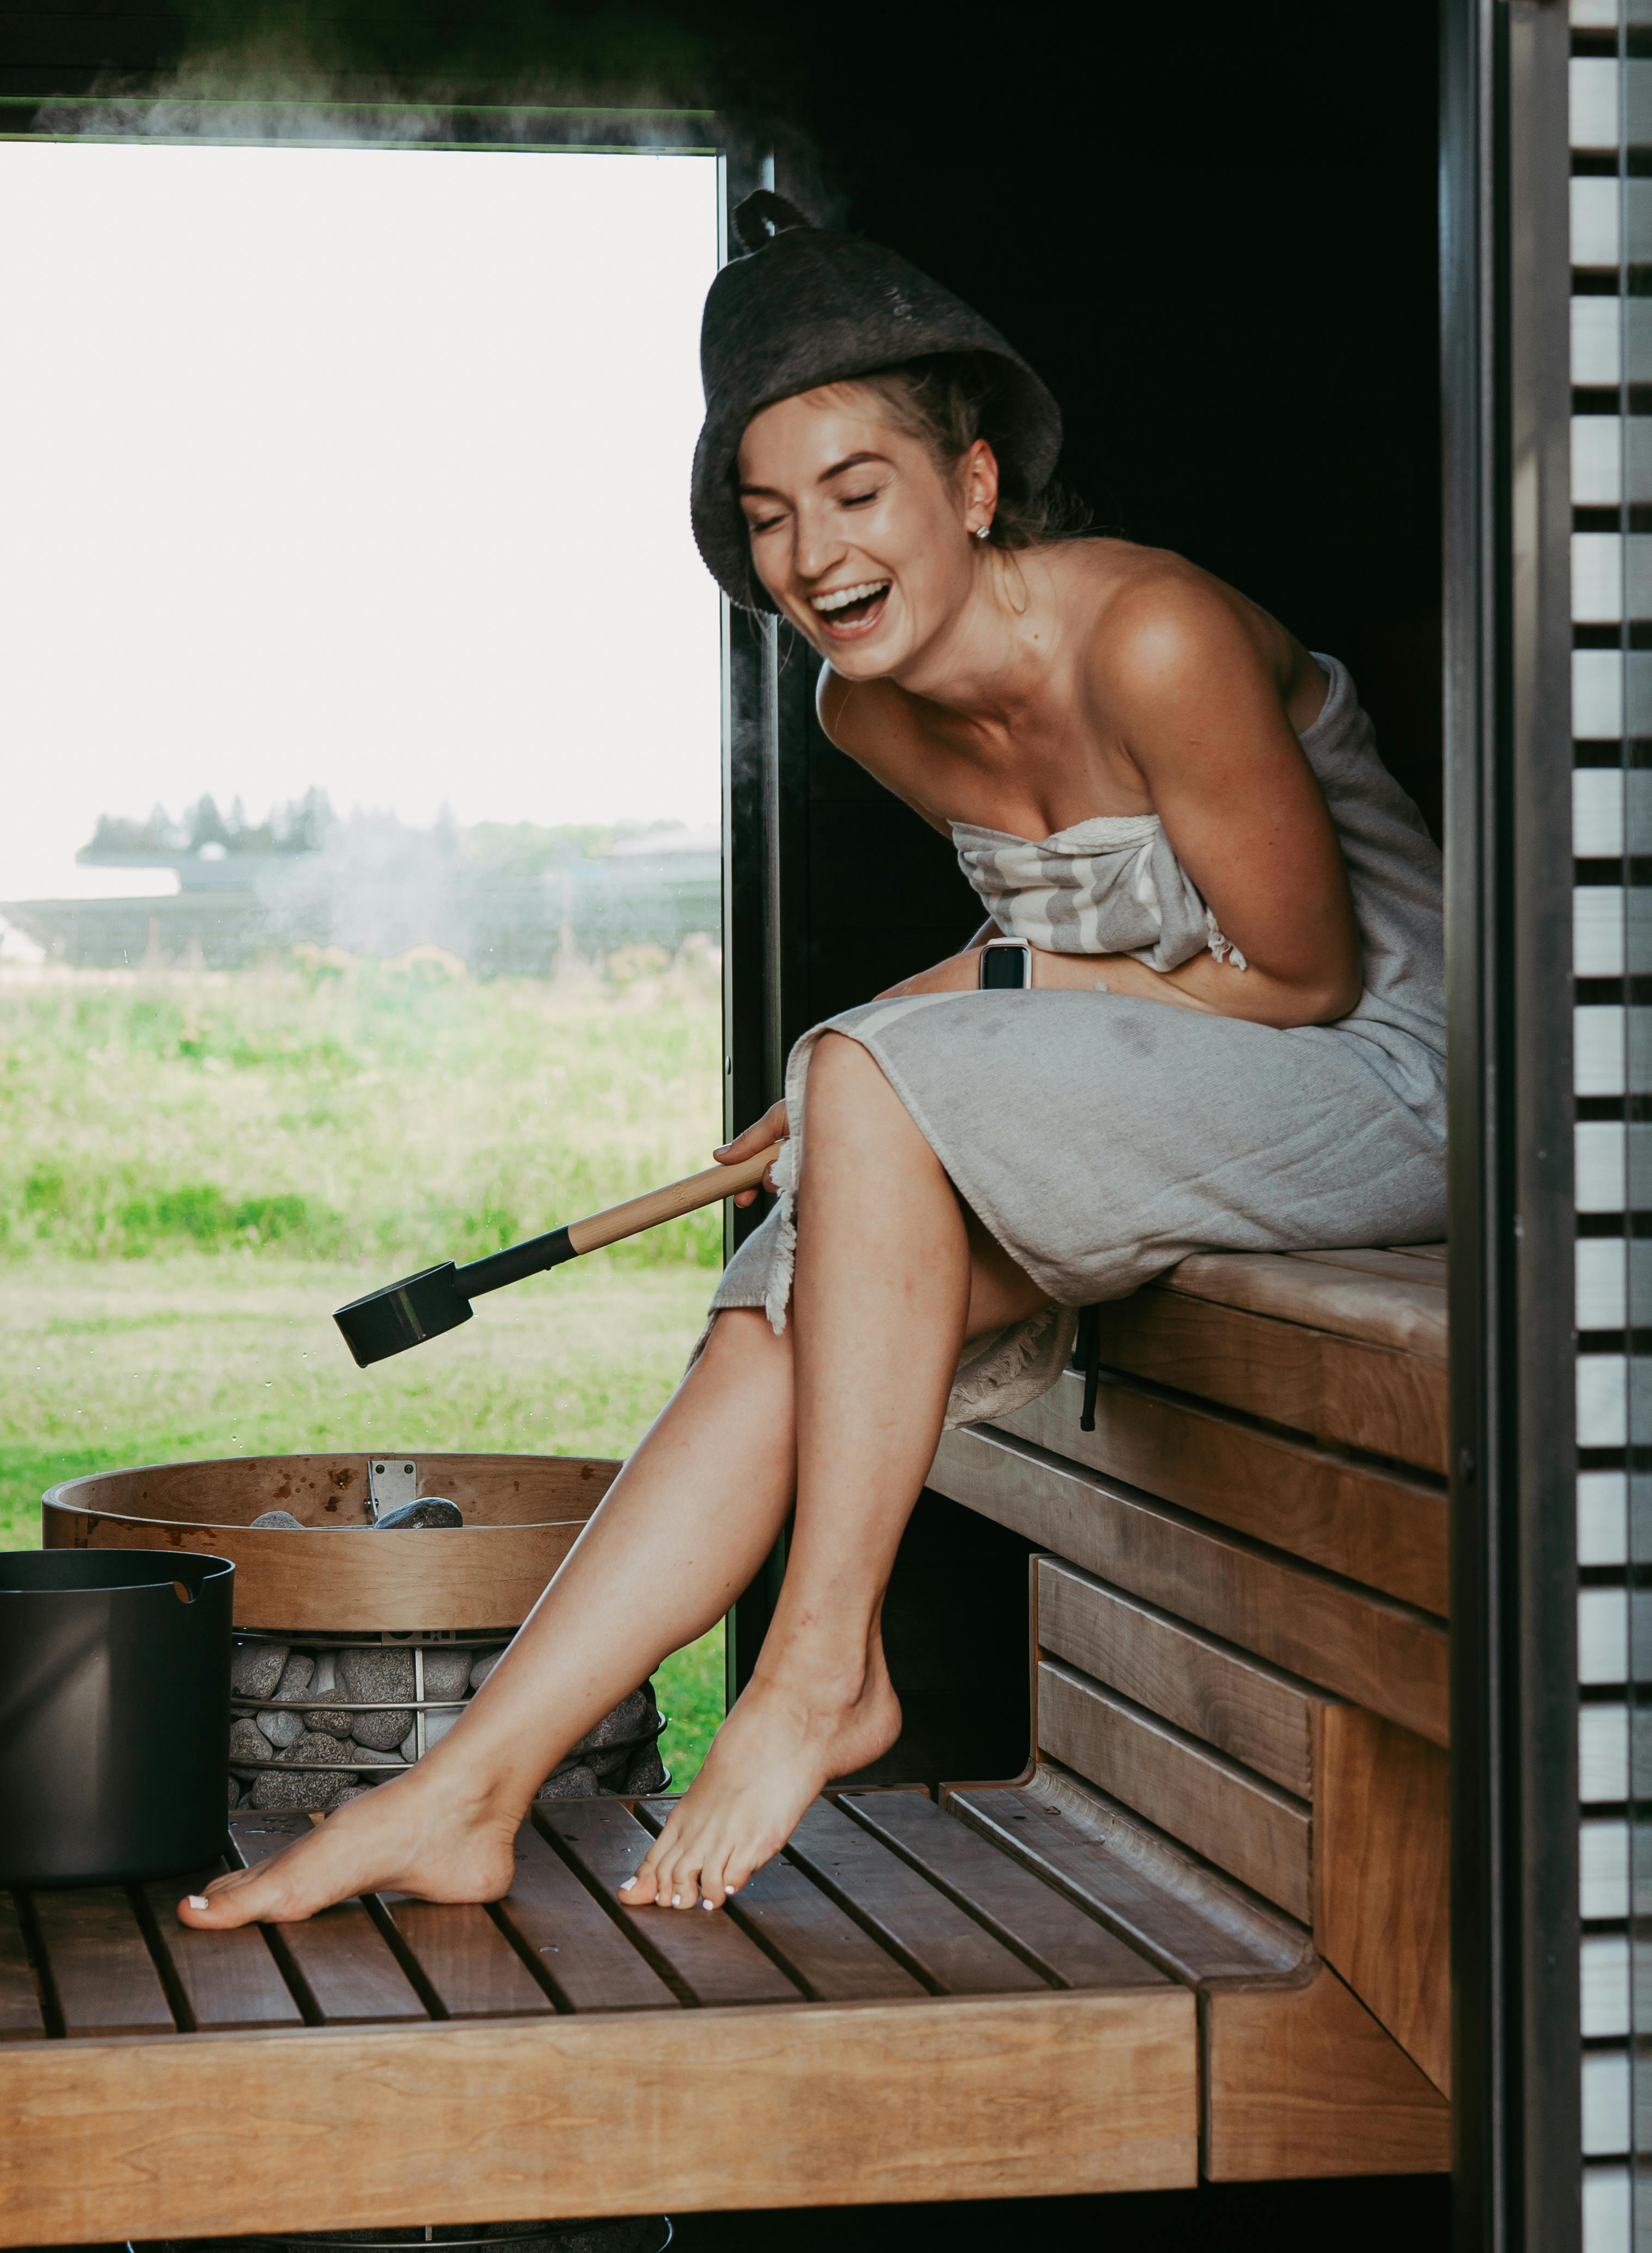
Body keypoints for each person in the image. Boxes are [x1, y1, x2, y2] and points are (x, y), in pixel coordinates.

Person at [184, 194, 1443, 1930]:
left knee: (869, 1083)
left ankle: (815, 1667)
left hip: (1386, 1080)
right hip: (1200, 1081)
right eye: (770, 516)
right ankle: (463, 1784)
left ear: (976, 486)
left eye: (858, 492)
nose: (813, 553)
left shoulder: (1150, 637)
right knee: (801, 1266)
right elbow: (1045, 950)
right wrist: (886, 1073)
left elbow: (1299, 976)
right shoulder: (869, 710)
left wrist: (917, 1052)